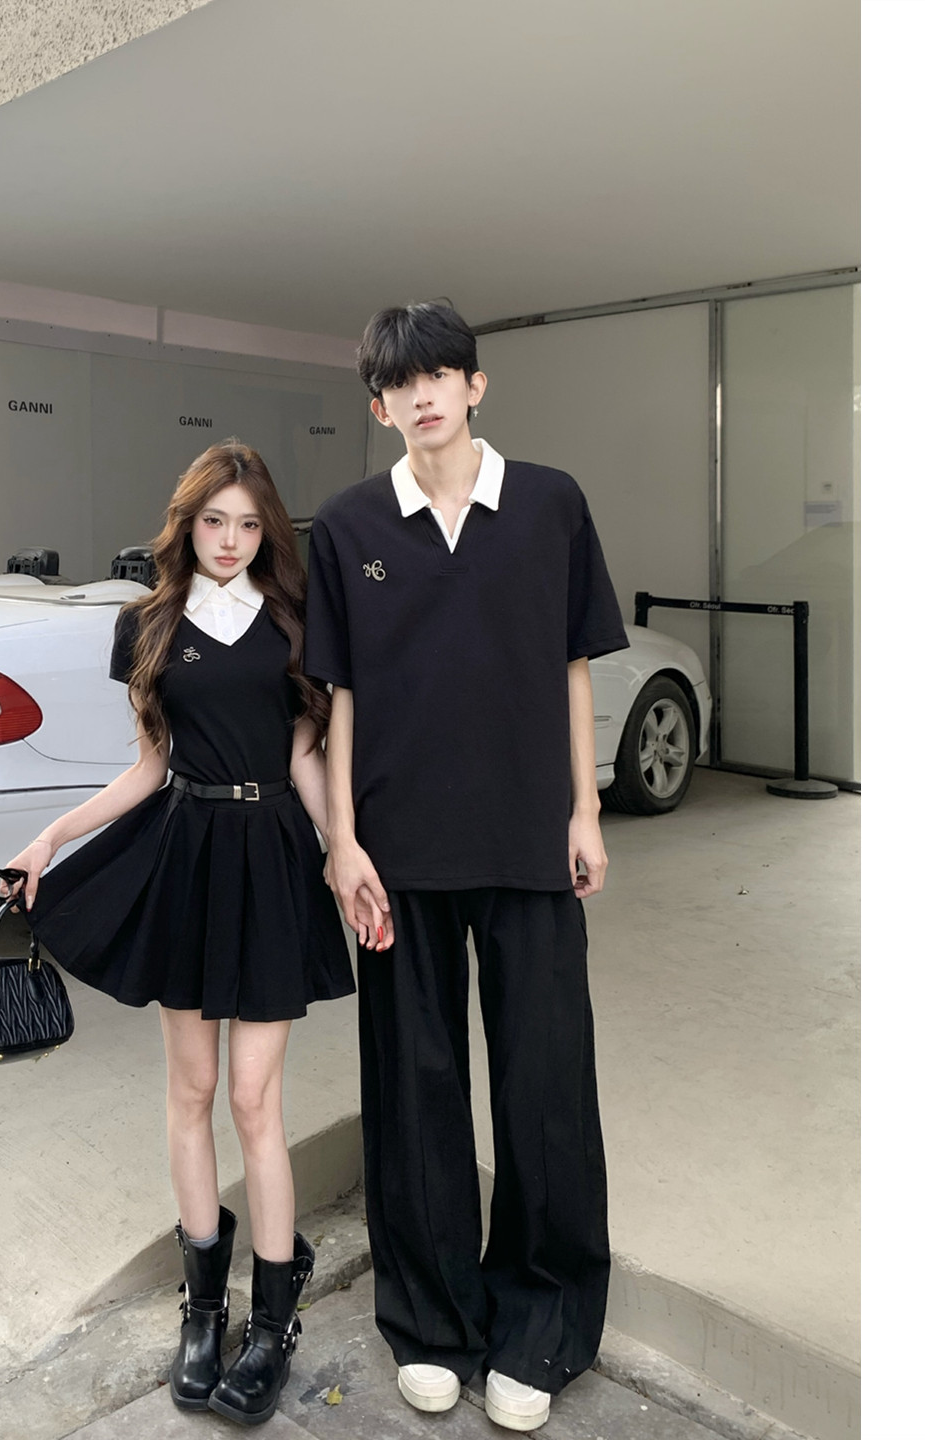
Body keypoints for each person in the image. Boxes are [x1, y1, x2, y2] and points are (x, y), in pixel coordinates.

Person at [304, 302, 628, 1433]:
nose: (424, 393)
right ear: (379, 406)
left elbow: (575, 666)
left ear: (475, 386)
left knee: (545, 1085)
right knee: (415, 1088)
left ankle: (543, 1323)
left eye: (441, 372)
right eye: (402, 381)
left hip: (530, 840)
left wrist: (585, 809)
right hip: (400, 854)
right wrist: (344, 841)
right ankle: (432, 1320)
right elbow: (341, 697)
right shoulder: (349, 525)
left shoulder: (548, 504)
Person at [0, 440, 356, 1427]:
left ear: (267, 531)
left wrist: (344, 854)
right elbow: (149, 767)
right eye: (214, 522)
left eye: (248, 524)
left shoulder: (292, 621)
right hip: (189, 859)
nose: (231, 540)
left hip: (272, 858)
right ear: (187, 525)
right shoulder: (149, 625)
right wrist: (51, 837)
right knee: (192, 1091)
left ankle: (272, 1322)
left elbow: (308, 760)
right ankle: (204, 1311)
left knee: (253, 1099)